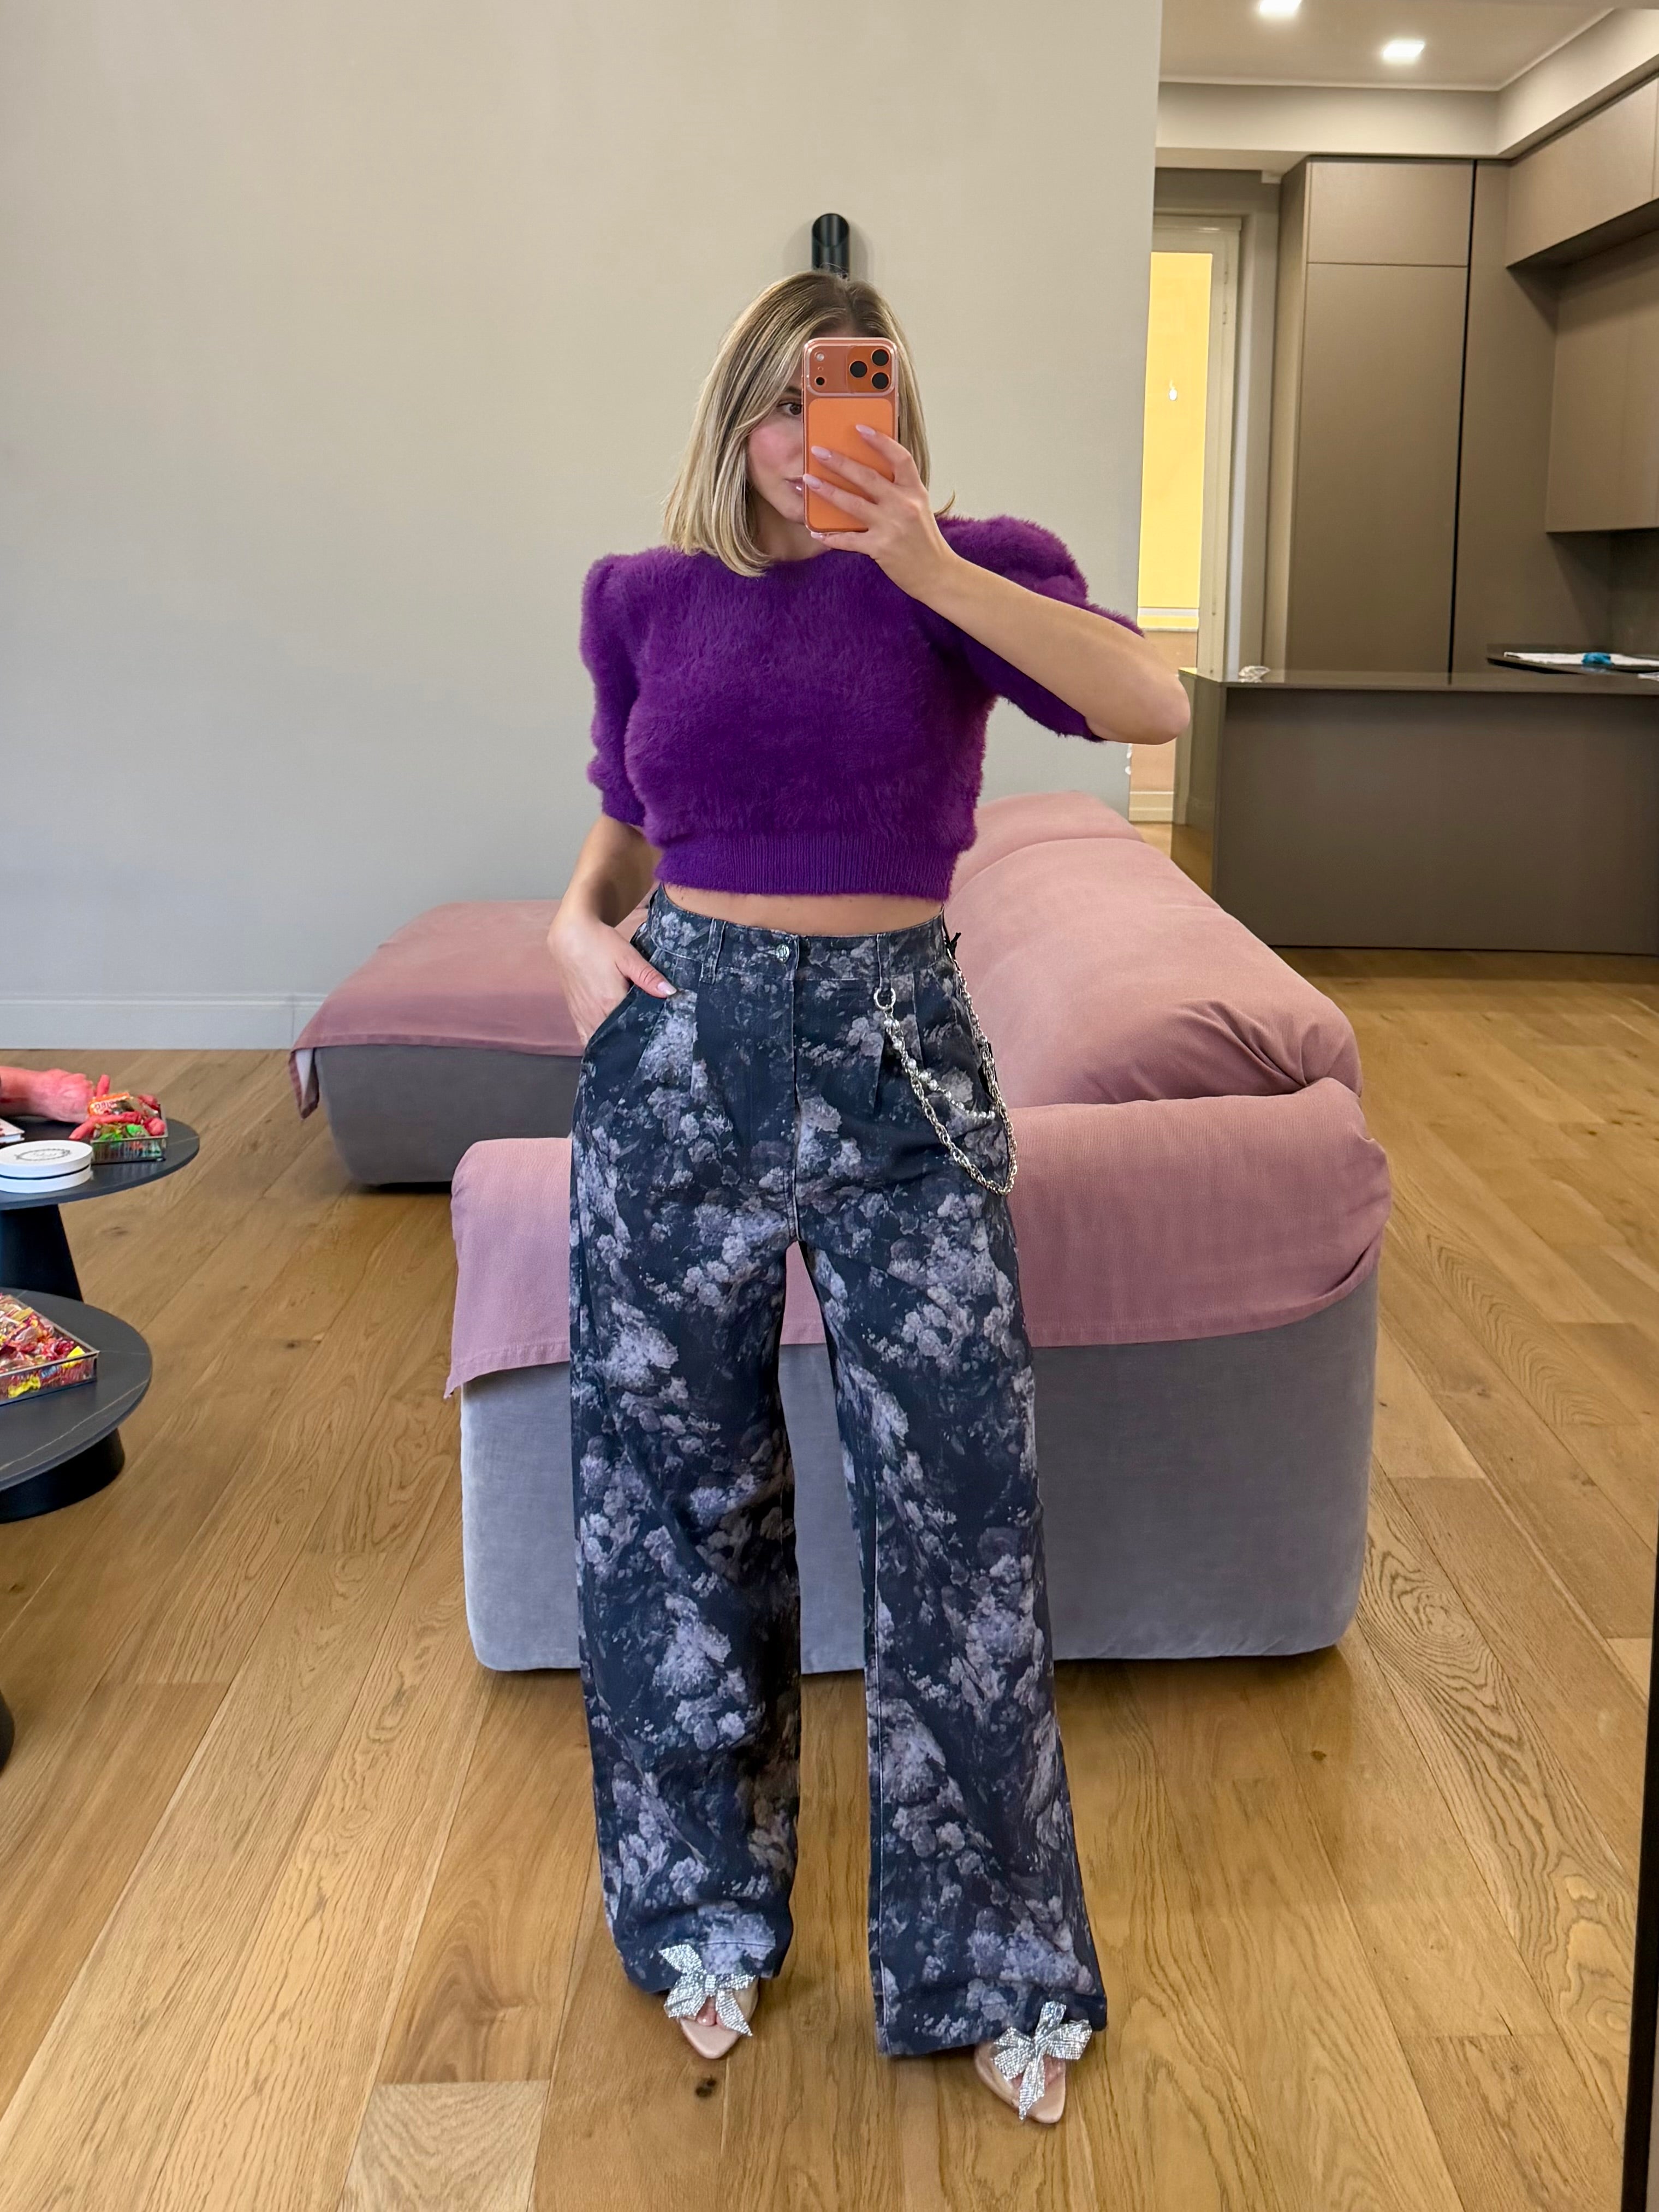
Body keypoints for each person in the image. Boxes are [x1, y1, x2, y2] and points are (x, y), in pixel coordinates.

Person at [546, 271, 1187, 2126]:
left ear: (891, 407)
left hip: (902, 1058)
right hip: (681, 1053)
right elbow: (632, 810)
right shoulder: (641, 595)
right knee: (669, 1502)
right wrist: (571, 924)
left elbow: (1145, 701)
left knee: (959, 1514)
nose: (809, 431)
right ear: (732, 414)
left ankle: (996, 1960)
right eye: (782, 398)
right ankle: (700, 1918)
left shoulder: (972, 566)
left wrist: (927, 562)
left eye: (849, 391)